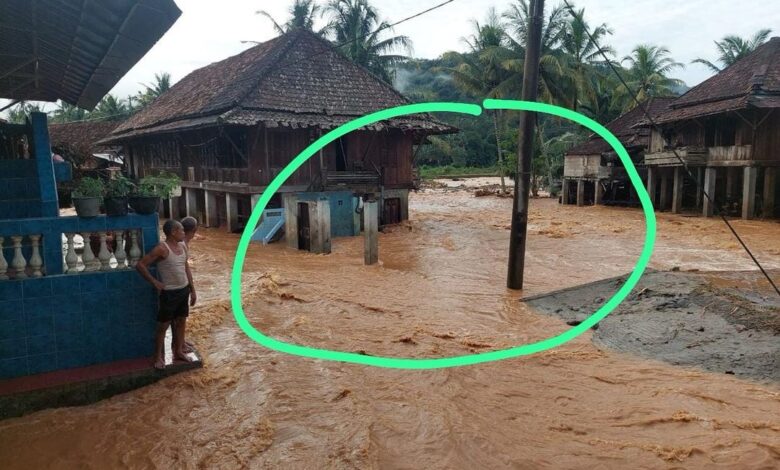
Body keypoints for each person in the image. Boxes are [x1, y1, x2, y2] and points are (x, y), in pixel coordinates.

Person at [136, 220, 197, 370]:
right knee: (163, 325)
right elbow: (140, 265)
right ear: (173, 232)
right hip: (169, 293)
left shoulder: (183, 246)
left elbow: (185, 267)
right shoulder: (161, 249)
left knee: (181, 321)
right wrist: (154, 282)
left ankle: (178, 351)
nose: (184, 233)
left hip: (183, 290)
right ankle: (157, 357)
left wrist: (192, 289)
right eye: (181, 230)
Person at [177, 216, 199, 354]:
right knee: (180, 317)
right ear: (194, 230)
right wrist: (192, 289)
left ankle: (181, 341)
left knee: (180, 317)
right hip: (180, 285)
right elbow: (186, 269)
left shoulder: (182, 243)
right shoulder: (183, 245)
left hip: (181, 284)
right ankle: (180, 345)